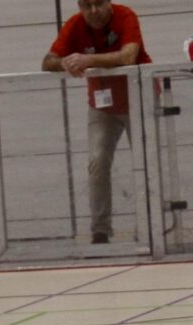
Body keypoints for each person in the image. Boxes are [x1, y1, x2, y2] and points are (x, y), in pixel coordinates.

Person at [42, 0, 152, 245]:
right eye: (86, 5)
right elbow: (47, 61)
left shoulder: (125, 16)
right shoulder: (74, 24)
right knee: (97, 161)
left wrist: (88, 60)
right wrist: (66, 62)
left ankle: (149, 226)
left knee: (146, 161)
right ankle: (100, 231)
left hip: (139, 98)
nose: (93, 11)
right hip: (103, 106)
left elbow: (128, 56)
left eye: (98, 3)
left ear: (109, 3)